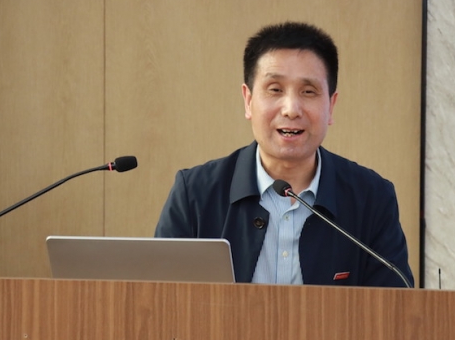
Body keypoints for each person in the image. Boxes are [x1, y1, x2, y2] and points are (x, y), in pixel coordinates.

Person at [155, 21, 414, 287]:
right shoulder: (195, 194)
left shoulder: (372, 198)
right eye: (275, 90)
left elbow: (394, 306)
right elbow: (158, 297)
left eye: (308, 92)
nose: (291, 109)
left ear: (331, 105)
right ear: (248, 100)